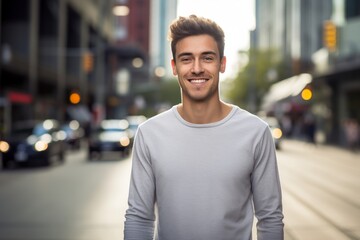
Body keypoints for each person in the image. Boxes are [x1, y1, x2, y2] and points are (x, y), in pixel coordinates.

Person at [124, 15, 284, 240]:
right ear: (174, 66)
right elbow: (139, 218)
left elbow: (270, 218)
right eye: (186, 59)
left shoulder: (256, 132)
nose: (197, 68)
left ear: (222, 64)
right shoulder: (149, 134)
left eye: (207, 58)